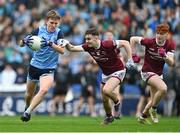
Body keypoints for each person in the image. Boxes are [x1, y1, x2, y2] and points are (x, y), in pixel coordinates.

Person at [58, 27, 135, 125]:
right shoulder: (88, 47)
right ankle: (109, 117)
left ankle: (117, 102)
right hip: (106, 74)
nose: (87, 41)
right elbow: (72, 48)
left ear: (96, 38)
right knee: (104, 99)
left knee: (106, 90)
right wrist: (66, 43)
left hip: (118, 70)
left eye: (89, 39)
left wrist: (130, 59)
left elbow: (126, 43)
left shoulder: (107, 44)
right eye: (86, 39)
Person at [19, 10, 65, 122]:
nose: (53, 25)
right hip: (34, 66)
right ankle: (27, 106)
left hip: (49, 67)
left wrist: (50, 43)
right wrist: (24, 41)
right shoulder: (38, 30)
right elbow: (21, 44)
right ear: (46, 21)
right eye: (51, 23)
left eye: (56, 23)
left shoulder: (59, 33)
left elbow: (62, 51)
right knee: (29, 94)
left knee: (44, 90)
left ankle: (27, 112)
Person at [130, 23, 176, 124]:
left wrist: (165, 56)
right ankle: (154, 110)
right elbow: (132, 39)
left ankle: (142, 117)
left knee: (153, 99)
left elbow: (172, 63)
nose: (159, 35)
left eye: (162, 33)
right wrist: (133, 55)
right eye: (158, 33)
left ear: (167, 34)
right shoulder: (149, 42)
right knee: (163, 88)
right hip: (147, 71)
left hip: (158, 74)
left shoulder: (170, 44)